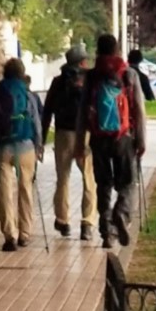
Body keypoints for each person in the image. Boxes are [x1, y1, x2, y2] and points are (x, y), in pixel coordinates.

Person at [76, 34, 146, 250]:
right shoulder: (128, 74)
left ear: (98, 50)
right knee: (127, 183)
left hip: (99, 139)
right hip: (124, 138)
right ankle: (121, 214)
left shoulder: (92, 76)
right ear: (117, 50)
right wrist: (141, 140)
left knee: (103, 185)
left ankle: (107, 233)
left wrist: (80, 142)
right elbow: (139, 110)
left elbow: (82, 112)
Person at [0, 56, 43, 252]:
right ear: (22, 73)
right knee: (26, 189)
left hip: (1, 147)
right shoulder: (27, 94)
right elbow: (36, 121)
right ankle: (25, 234)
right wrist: (39, 145)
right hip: (25, 146)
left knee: (4, 192)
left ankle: (10, 235)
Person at [42, 44, 97, 242]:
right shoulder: (90, 80)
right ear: (83, 62)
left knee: (62, 179)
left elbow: (47, 111)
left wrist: (41, 139)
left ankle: (63, 220)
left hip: (63, 134)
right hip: (86, 135)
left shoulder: (58, 82)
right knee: (89, 179)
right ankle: (87, 223)